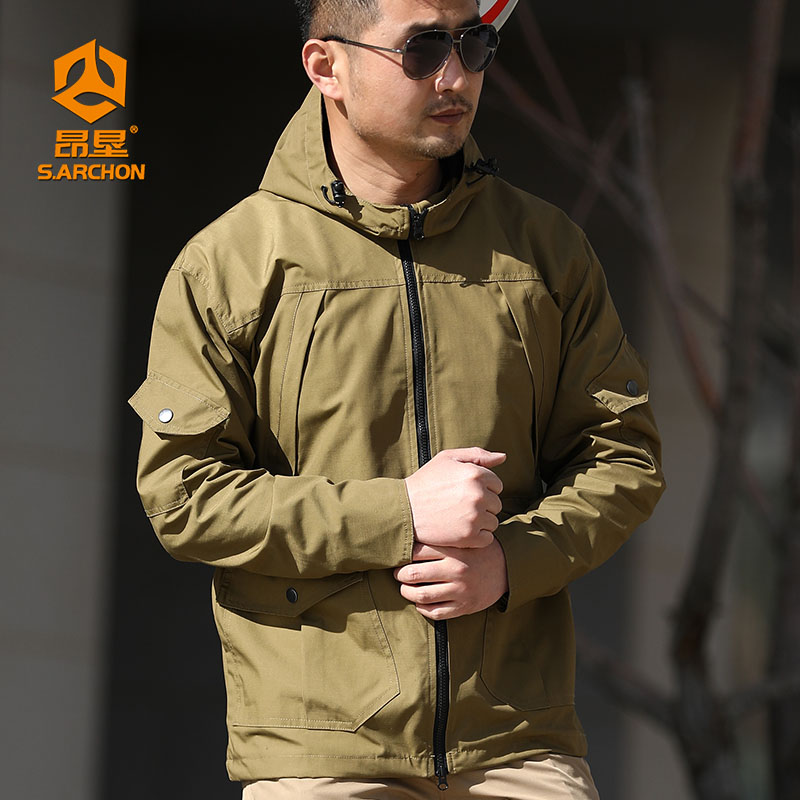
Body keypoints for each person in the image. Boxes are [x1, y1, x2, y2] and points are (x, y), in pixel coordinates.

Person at [129, 0, 665, 797]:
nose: (456, 77)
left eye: (474, 45)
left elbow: (622, 457)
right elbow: (183, 496)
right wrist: (400, 513)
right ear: (326, 67)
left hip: (518, 740)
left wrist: (510, 563)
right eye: (421, 50)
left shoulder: (546, 251)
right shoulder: (232, 263)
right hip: (320, 751)